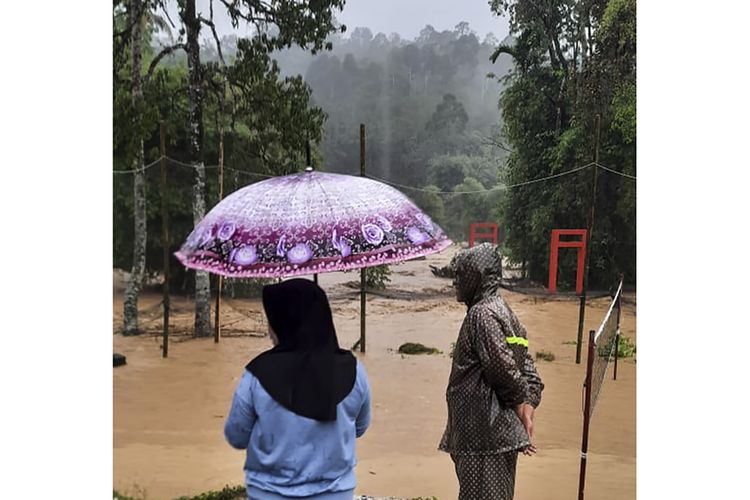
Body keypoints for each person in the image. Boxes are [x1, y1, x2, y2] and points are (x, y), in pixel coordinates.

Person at [224, 278, 371, 500]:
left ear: (284, 323)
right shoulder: (354, 370)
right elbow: (359, 428)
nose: (269, 328)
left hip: (268, 494)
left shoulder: (256, 374)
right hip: (335, 494)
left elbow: (236, 436)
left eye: (272, 319)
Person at [439, 243, 544, 500]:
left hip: (483, 437)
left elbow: (503, 369)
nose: (456, 281)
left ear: (477, 276)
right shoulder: (505, 312)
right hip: (494, 437)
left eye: (461, 275)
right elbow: (527, 366)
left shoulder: (482, 315)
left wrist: (522, 406)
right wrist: (527, 404)